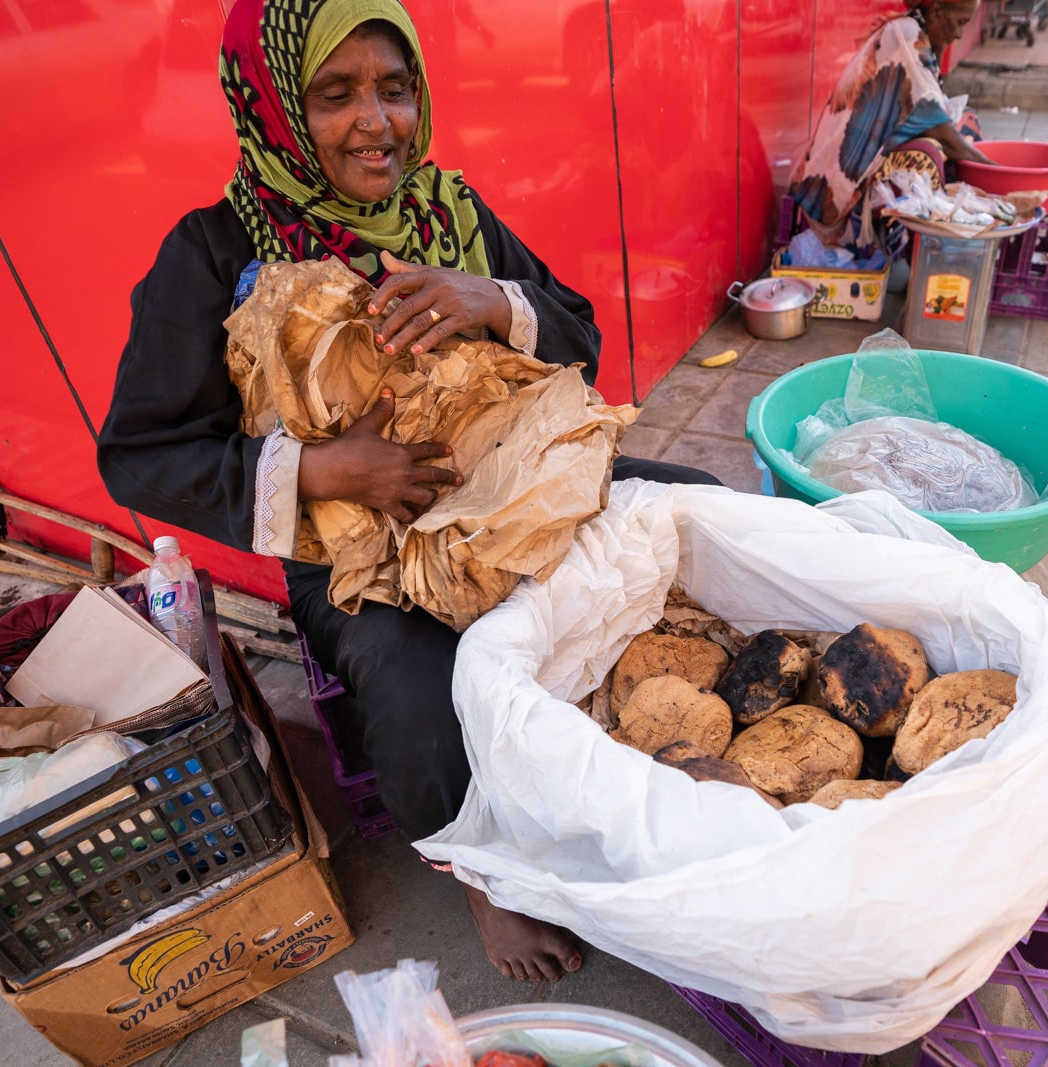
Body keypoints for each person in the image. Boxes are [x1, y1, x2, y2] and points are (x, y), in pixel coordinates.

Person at [96, 0, 719, 982]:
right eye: (334, 95)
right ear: (272, 108)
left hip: (510, 486)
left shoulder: (447, 214)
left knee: (695, 509)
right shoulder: (214, 251)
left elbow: (580, 337)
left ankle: (665, 759)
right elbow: (142, 453)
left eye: (394, 88)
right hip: (353, 541)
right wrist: (318, 468)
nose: (375, 121)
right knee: (426, 686)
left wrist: (491, 299)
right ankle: (486, 883)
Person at [786, 0, 993, 253]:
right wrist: (1000, 175)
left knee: (966, 122)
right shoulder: (906, 35)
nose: (960, 33)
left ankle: (946, 242)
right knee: (928, 157)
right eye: (960, 22)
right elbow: (940, 130)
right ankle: (925, 254)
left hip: (861, 167)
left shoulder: (915, 29)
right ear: (937, 11)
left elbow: (934, 110)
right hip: (835, 195)